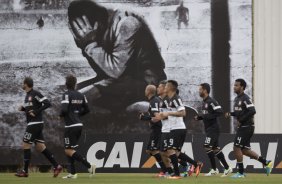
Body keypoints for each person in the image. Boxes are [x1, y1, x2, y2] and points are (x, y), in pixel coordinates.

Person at [68, 0, 166, 112]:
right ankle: (132, 105)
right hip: (122, 78)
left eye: (79, 28)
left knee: (80, 100)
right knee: (75, 93)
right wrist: (85, 45)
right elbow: (102, 71)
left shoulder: (127, 23)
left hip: (147, 81)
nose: (79, 33)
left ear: (96, 24)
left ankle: (152, 106)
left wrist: (89, 45)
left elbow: (116, 71)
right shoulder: (96, 31)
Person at [154, 80, 203, 179]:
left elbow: (183, 113)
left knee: (171, 151)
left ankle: (176, 174)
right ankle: (195, 164)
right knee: (173, 152)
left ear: (171, 88)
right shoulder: (170, 100)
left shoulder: (176, 99)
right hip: (173, 128)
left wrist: (168, 114)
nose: (164, 88)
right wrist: (161, 116)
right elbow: (168, 115)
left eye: (166, 86)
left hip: (177, 128)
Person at [225, 79, 273, 178]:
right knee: (245, 150)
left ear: (242, 87)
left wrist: (241, 120)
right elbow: (239, 113)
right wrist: (230, 113)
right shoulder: (237, 99)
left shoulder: (246, 98)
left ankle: (241, 173)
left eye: (236, 85)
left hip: (247, 127)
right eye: (234, 85)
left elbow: (252, 111)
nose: (234, 87)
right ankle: (266, 162)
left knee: (236, 147)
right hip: (244, 127)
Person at [16, 77, 62, 177]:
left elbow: (47, 103)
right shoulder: (27, 95)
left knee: (25, 145)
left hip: (34, 124)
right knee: (40, 147)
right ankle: (57, 166)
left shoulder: (35, 93)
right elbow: (31, 109)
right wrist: (24, 109)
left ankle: (25, 171)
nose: (22, 84)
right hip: (35, 124)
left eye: (23, 83)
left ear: (26, 84)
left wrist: (36, 112)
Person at [60, 75, 96, 179]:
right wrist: (77, 115)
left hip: (70, 126)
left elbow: (64, 110)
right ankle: (73, 173)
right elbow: (87, 110)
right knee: (70, 149)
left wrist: (60, 115)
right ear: (75, 84)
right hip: (79, 125)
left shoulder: (66, 95)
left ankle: (89, 166)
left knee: (68, 150)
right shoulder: (81, 95)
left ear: (66, 83)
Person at [194, 83, 232, 177]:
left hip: (213, 128)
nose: (199, 91)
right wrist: (200, 118)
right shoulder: (204, 102)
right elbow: (207, 115)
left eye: (200, 89)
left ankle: (216, 169)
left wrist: (205, 116)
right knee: (215, 149)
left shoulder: (211, 101)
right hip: (209, 129)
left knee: (207, 146)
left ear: (205, 90)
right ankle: (226, 168)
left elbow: (220, 112)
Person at [139, 85, 167, 177]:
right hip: (156, 129)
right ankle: (167, 169)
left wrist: (145, 117)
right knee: (150, 150)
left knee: (154, 150)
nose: (144, 91)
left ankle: (165, 171)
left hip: (157, 129)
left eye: (145, 89)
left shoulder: (154, 101)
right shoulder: (154, 100)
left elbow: (157, 118)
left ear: (148, 91)